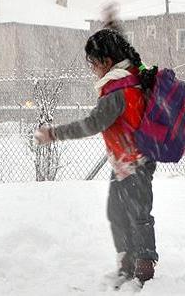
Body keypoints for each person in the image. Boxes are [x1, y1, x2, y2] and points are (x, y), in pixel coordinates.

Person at [33, 27, 159, 287]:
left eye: (93, 63)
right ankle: (128, 262)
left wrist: (54, 133)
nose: (92, 69)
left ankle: (143, 268)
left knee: (137, 216)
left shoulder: (117, 91)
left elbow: (92, 124)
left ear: (106, 62)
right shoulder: (134, 73)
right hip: (128, 161)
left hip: (134, 162)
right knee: (118, 213)